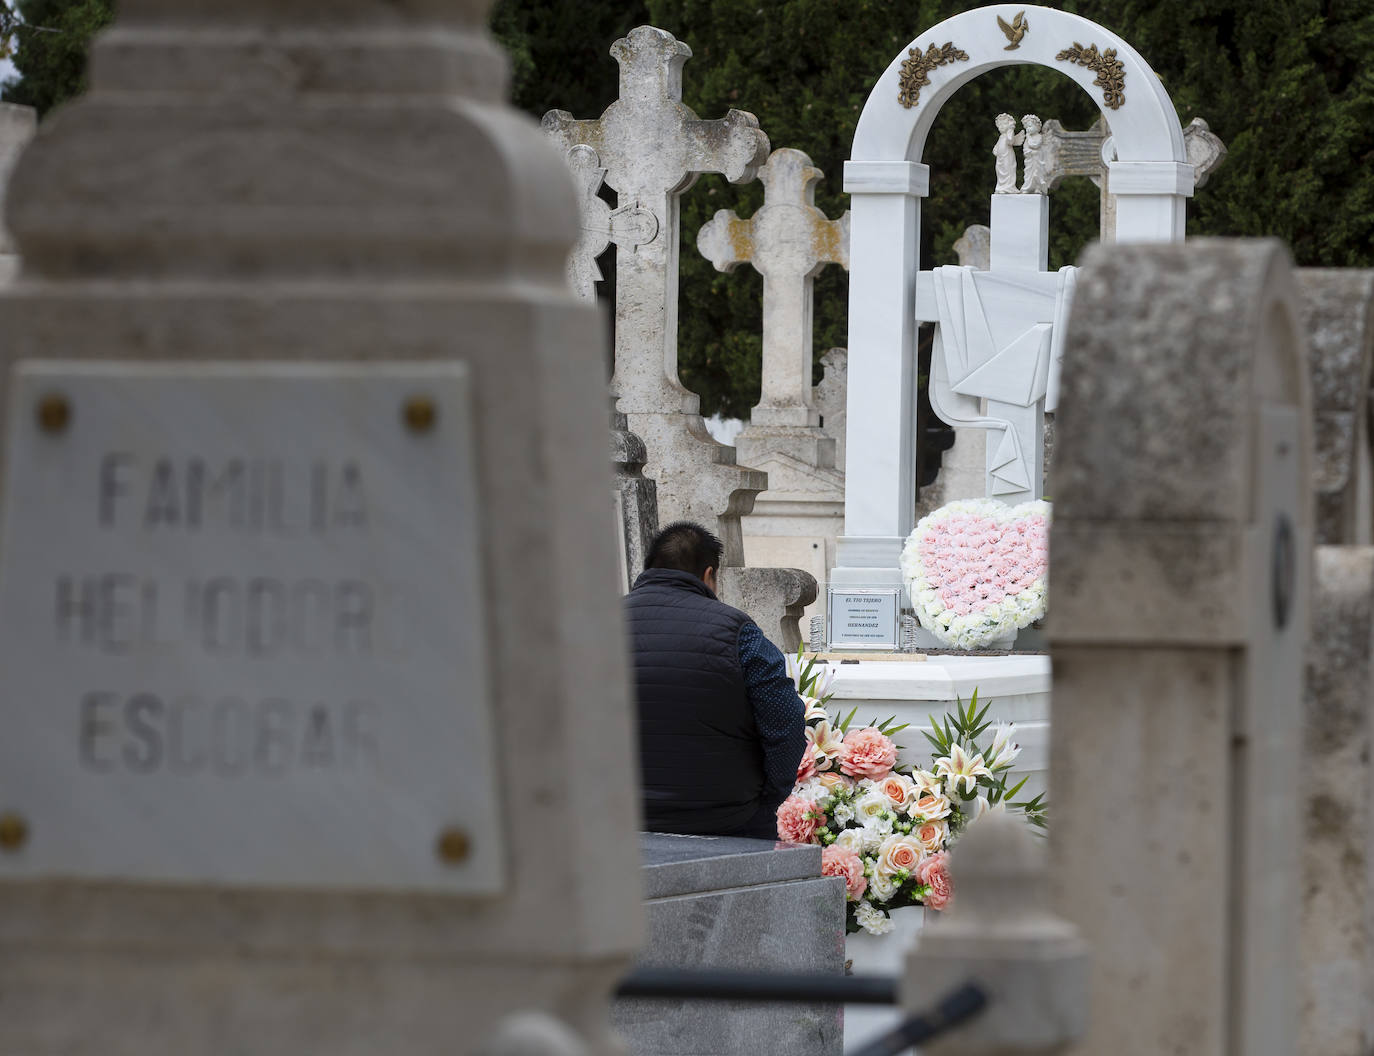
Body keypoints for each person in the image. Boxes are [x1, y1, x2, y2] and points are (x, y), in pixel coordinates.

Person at [625, 521, 806, 839]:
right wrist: (767, 800)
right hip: (725, 818)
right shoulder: (736, 630)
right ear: (709, 575)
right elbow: (785, 721)